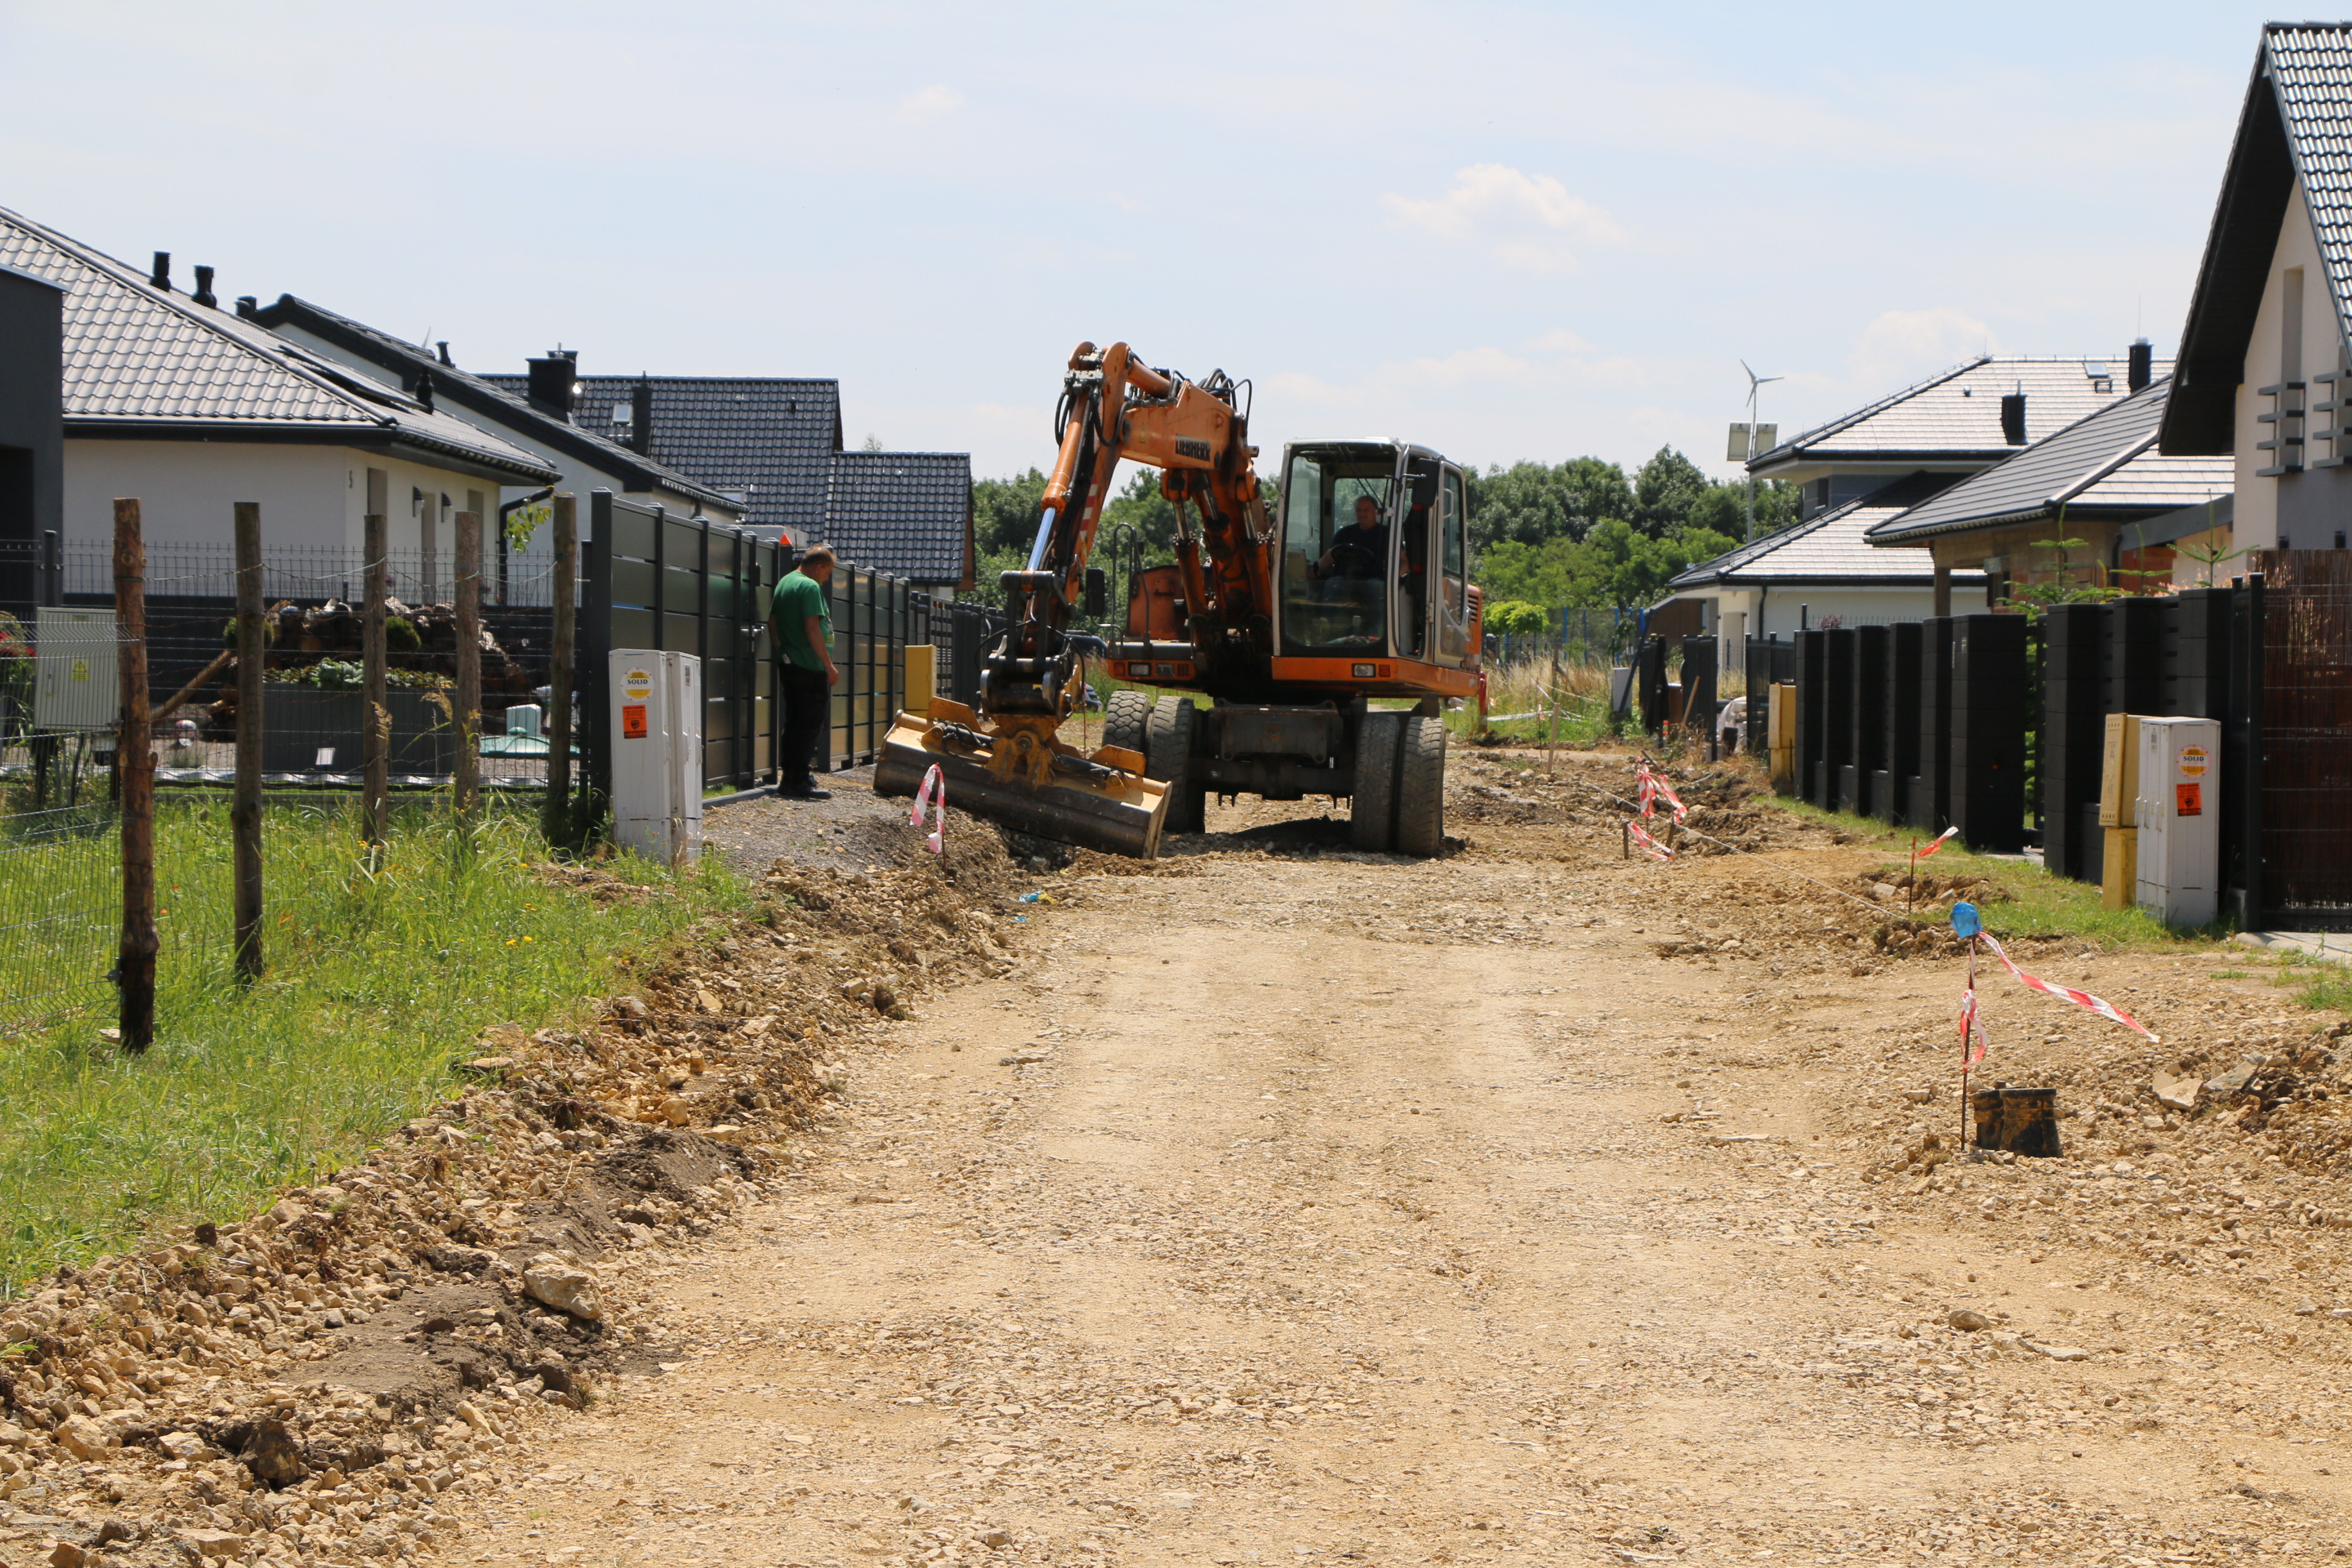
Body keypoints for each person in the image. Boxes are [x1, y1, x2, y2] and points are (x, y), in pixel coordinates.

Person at [767, 544, 838, 800]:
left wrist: (782, 652)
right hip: (808, 665)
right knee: (809, 723)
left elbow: (772, 622)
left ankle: (792, 777)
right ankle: (797, 782)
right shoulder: (809, 587)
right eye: (828, 572)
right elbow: (812, 628)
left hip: (790, 662)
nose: (827, 578)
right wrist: (827, 664)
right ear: (819, 567)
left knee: (795, 722)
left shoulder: (786, 582)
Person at [1317, 495, 1389, 581]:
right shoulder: (1344, 533)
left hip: (1374, 579)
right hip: (1344, 579)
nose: (1361, 513)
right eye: (1358, 510)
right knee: (1333, 583)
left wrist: (1391, 580)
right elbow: (1329, 557)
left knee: (1377, 586)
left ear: (1376, 512)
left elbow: (1403, 562)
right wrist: (1314, 572)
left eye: (1366, 510)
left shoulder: (1387, 533)